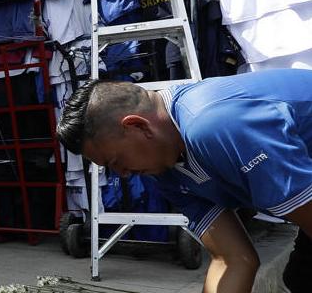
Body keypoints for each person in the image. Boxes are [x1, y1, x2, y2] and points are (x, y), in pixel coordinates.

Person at [57, 69, 312, 292]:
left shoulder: (213, 126)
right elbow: (231, 258)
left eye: (115, 161)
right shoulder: (165, 170)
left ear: (137, 126)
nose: (122, 174)